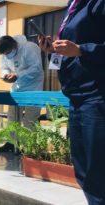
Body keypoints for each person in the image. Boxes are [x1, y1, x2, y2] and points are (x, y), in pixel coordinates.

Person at [38, 0, 105, 203]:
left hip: (97, 96)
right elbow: (73, 46)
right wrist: (54, 49)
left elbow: (81, 48)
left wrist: (81, 49)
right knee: (83, 169)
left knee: (97, 171)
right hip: (75, 96)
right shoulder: (73, 4)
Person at [0, 35, 44, 152]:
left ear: (14, 45)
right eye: (5, 54)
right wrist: (5, 74)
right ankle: (12, 143)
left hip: (34, 87)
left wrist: (18, 75)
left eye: (8, 52)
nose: (7, 55)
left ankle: (29, 146)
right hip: (17, 87)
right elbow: (4, 67)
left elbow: (36, 69)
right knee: (12, 117)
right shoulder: (5, 53)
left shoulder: (30, 48)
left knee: (30, 118)